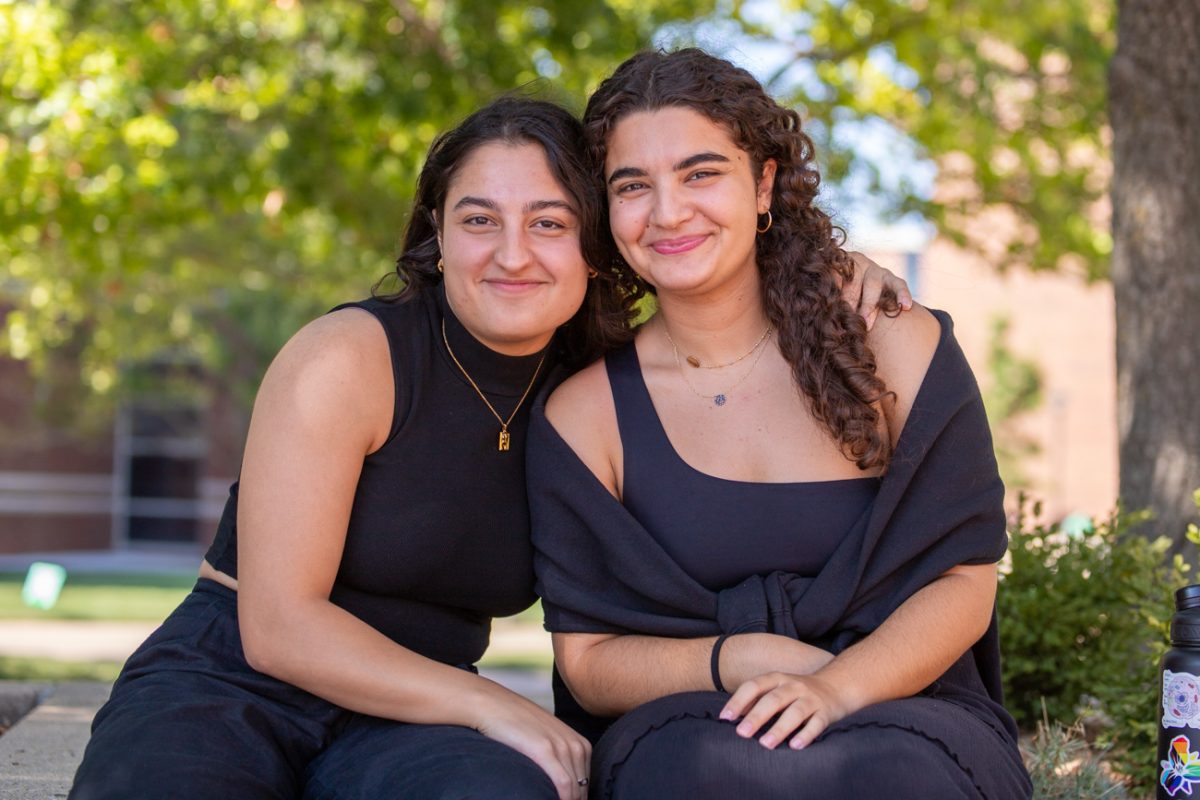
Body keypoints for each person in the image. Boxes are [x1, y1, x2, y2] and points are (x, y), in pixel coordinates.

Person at [69, 95, 909, 800]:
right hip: (230, 683)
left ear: (592, 242)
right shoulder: (350, 358)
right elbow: (279, 627)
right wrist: (495, 707)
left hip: (413, 714)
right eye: (480, 220)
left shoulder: (599, 390)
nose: (513, 255)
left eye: (548, 222)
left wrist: (840, 272)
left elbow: (727, 303)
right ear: (438, 230)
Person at [530, 49, 1033, 799]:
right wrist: (740, 659)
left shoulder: (887, 341)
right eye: (633, 185)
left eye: (700, 173)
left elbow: (963, 580)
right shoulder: (586, 414)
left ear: (764, 182)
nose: (667, 212)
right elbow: (591, 660)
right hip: (692, 726)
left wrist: (835, 690)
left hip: (909, 713)